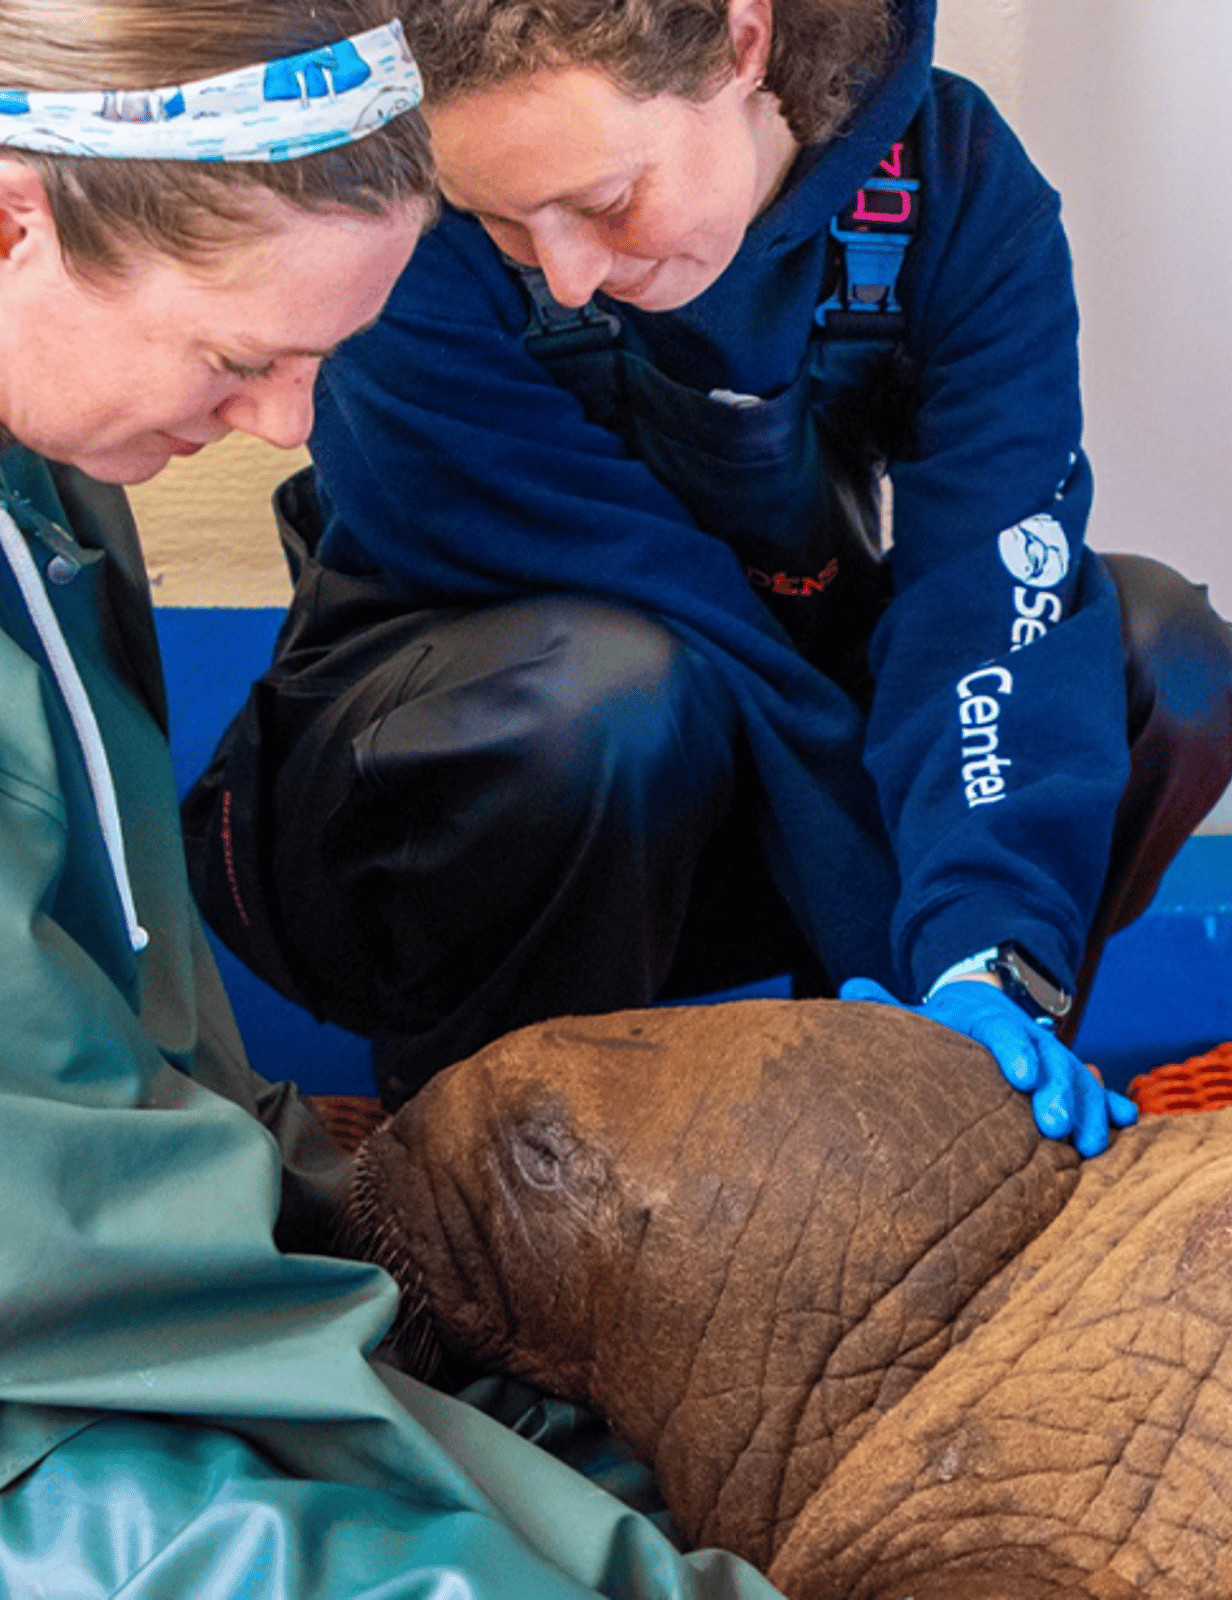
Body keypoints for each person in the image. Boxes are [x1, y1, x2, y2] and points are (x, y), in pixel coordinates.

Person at [184, 0, 1232, 1143]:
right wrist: (886, 919)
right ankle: (493, 1164)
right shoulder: (393, 225)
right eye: (501, 222)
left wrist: (978, 957)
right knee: (611, 689)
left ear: (742, 43)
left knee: (1158, 657)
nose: (561, 275)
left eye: (605, 203)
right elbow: (670, 608)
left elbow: (992, 600)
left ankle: (965, 1097)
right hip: (451, 809)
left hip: (755, 772)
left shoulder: (955, 187)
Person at [0, 3, 783, 1594]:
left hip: (100, 1274)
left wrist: (452, 1328)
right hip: (48, 1347)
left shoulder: (55, 475)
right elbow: (57, 1254)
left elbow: (124, 1064)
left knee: (606, 1445)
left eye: (315, 365)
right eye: (242, 358)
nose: (286, 430)